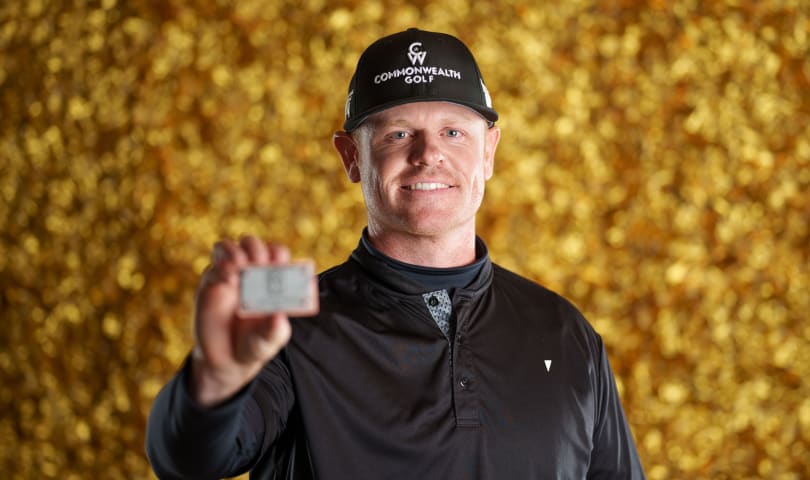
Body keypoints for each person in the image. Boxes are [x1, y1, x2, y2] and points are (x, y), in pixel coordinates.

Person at [146, 28, 646, 479]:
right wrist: (217, 376)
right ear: (351, 157)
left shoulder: (562, 330)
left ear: (488, 151)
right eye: (398, 133)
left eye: (453, 131)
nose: (429, 153)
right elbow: (189, 459)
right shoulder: (287, 323)